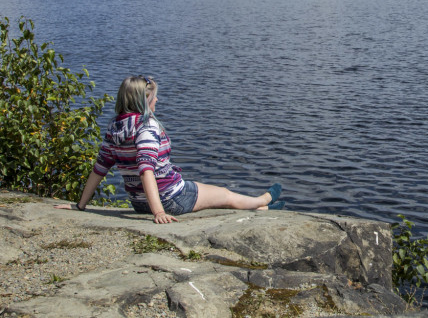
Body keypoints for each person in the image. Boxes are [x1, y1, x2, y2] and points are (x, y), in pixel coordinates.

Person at [55, 75, 283, 224]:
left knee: (217, 194)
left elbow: (100, 168)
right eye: (154, 98)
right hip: (171, 198)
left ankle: (260, 209)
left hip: (137, 202)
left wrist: (80, 205)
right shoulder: (147, 127)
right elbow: (146, 170)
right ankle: (262, 201)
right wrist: (159, 212)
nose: (157, 101)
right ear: (144, 102)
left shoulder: (115, 127)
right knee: (224, 194)